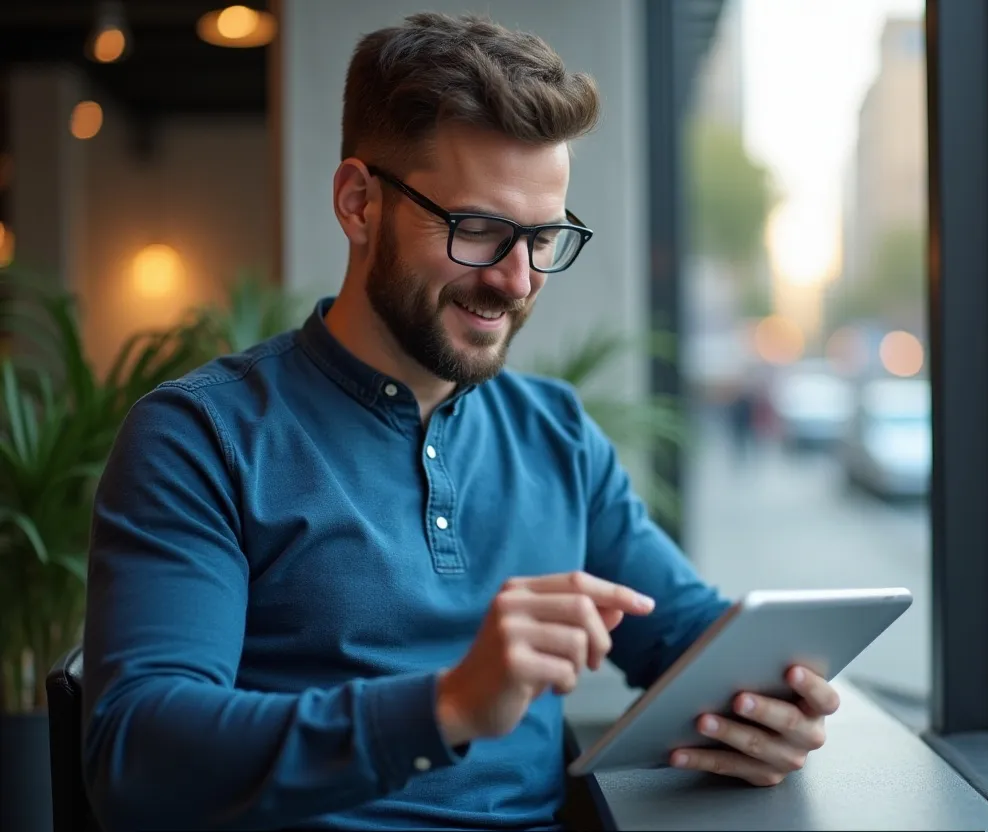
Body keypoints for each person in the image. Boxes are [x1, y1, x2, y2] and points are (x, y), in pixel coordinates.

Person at [81, 12, 839, 831]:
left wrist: (770, 705)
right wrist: (443, 708)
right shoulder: (201, 438)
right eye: (479, 230)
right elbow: (137, 756)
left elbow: (686, 637)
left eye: (542, 237)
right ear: (358, 202)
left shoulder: (557, 433)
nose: (516, 281)